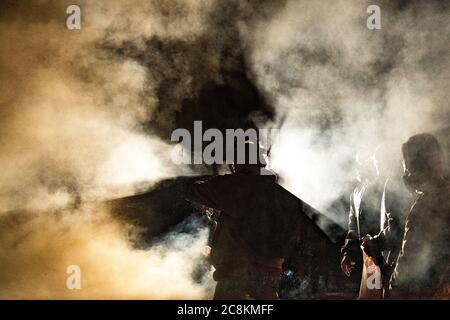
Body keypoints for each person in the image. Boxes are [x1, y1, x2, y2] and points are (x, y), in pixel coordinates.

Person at [187, 141, 308, 299]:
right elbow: (294, 237)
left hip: (237, 270)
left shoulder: (238, 184)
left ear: (238, 162)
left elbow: (192, 191)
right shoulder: (285, 195)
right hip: (272, 270)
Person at [386, 133, 449, 299]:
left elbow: (408, 268)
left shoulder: (426, 207)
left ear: (416, 168)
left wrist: (393, 291)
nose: (405, 173)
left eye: (406, 167)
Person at [341, 149, 404, 299]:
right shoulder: (356, 193)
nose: (358, 167)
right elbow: (353, 228)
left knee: (383, 292)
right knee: (372, 292)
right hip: (370, 256)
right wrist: (347, 252)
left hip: (386, 253)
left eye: (363, 163)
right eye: (357, 163)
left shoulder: (386, 186)